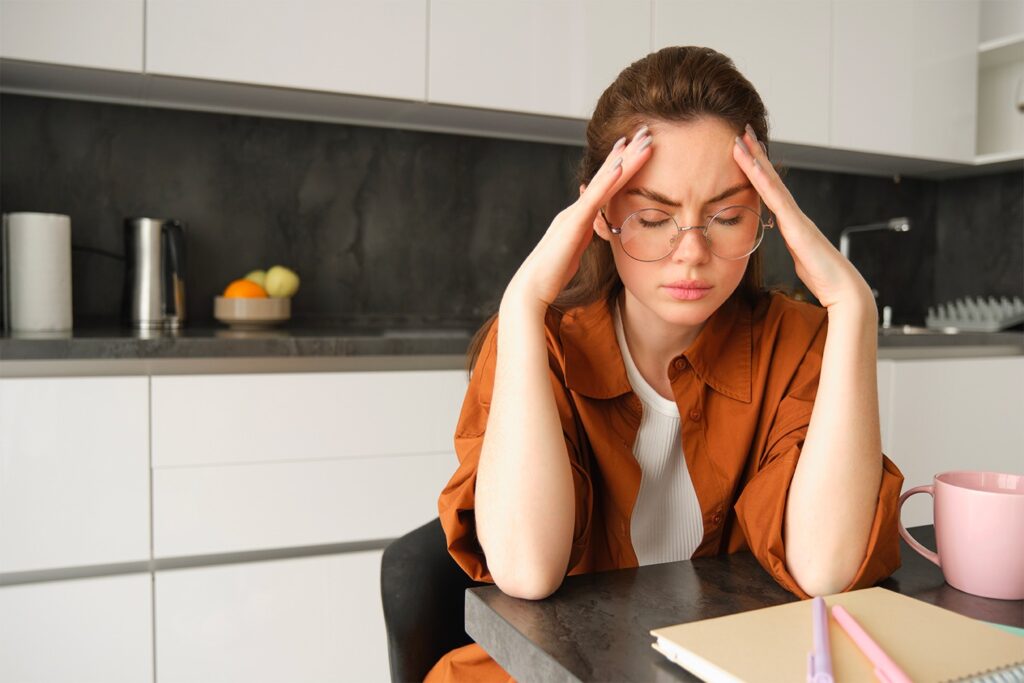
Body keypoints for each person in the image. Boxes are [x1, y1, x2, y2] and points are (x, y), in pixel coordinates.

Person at [425, 46, 904, 683]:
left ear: (767, 210)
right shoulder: (540, 342)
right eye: (654, 218)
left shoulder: (799, 344)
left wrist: (853, 306)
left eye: (728, 216)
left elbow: (826, 568)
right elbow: (526, 570)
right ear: (598, 216)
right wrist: (523, 304)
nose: (692, 253)